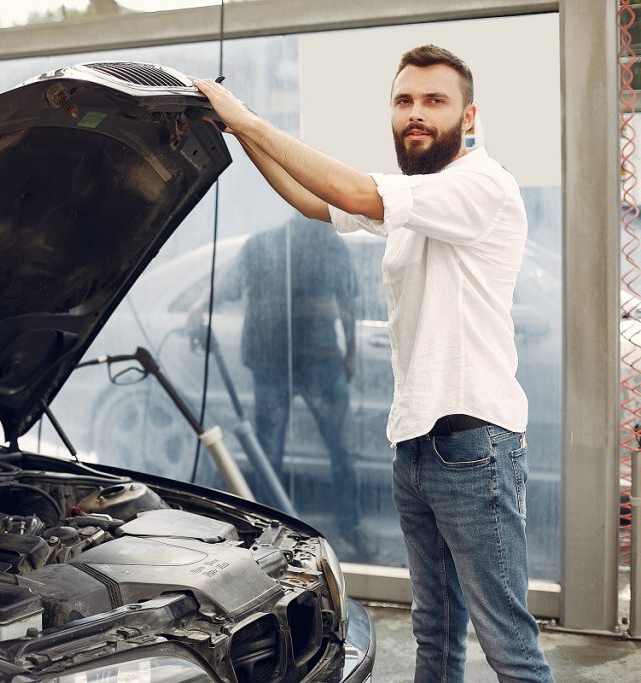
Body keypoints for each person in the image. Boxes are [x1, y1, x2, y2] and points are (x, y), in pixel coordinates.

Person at [193, 45, 553, 682]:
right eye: (404, 100)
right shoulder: (420, 198)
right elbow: (313, 201)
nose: (416, 114)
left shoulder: (480, 185)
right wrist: (237, 127)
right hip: (418, 447)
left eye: (434, 102)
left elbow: (356, 191)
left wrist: (247, 120)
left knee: (508, 646)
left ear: (470, 117)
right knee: (435, 633)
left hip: (475, 447)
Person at [217, 216, 368, 555]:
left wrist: (352, 352)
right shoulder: (269, 244)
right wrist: (351, 354)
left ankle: (346, 526)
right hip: (293, 359)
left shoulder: (323, 245)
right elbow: (348, 304)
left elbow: (348, 304)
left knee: (333, 449)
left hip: (312, 358)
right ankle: (277, 531)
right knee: (279, 451)